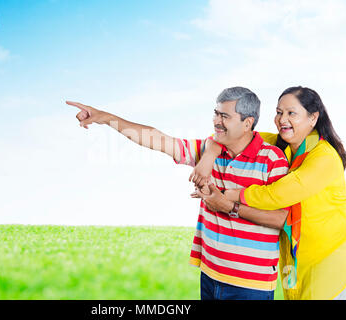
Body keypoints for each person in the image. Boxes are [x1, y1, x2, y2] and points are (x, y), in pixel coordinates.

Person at [68, 87, 291, 300]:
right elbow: (159, 139)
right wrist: (105, 118)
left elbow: (282, 219)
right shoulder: (208, 150)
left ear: (247, 123)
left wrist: (227, 206)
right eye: (215, 113)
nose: (216, 121)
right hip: (210, 274)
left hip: (250, 284)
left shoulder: (273, 159)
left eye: (224, 116)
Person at [190, 86, 346, 299]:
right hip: (298, 258)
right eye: (279, 112)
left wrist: (229, 195)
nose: (282, 119)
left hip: (330, 256)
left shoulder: (324, 157)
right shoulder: (282, 144)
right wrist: (208, 157)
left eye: (291, 113)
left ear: (313, 118)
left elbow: (277, 195)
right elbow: (231, 135)